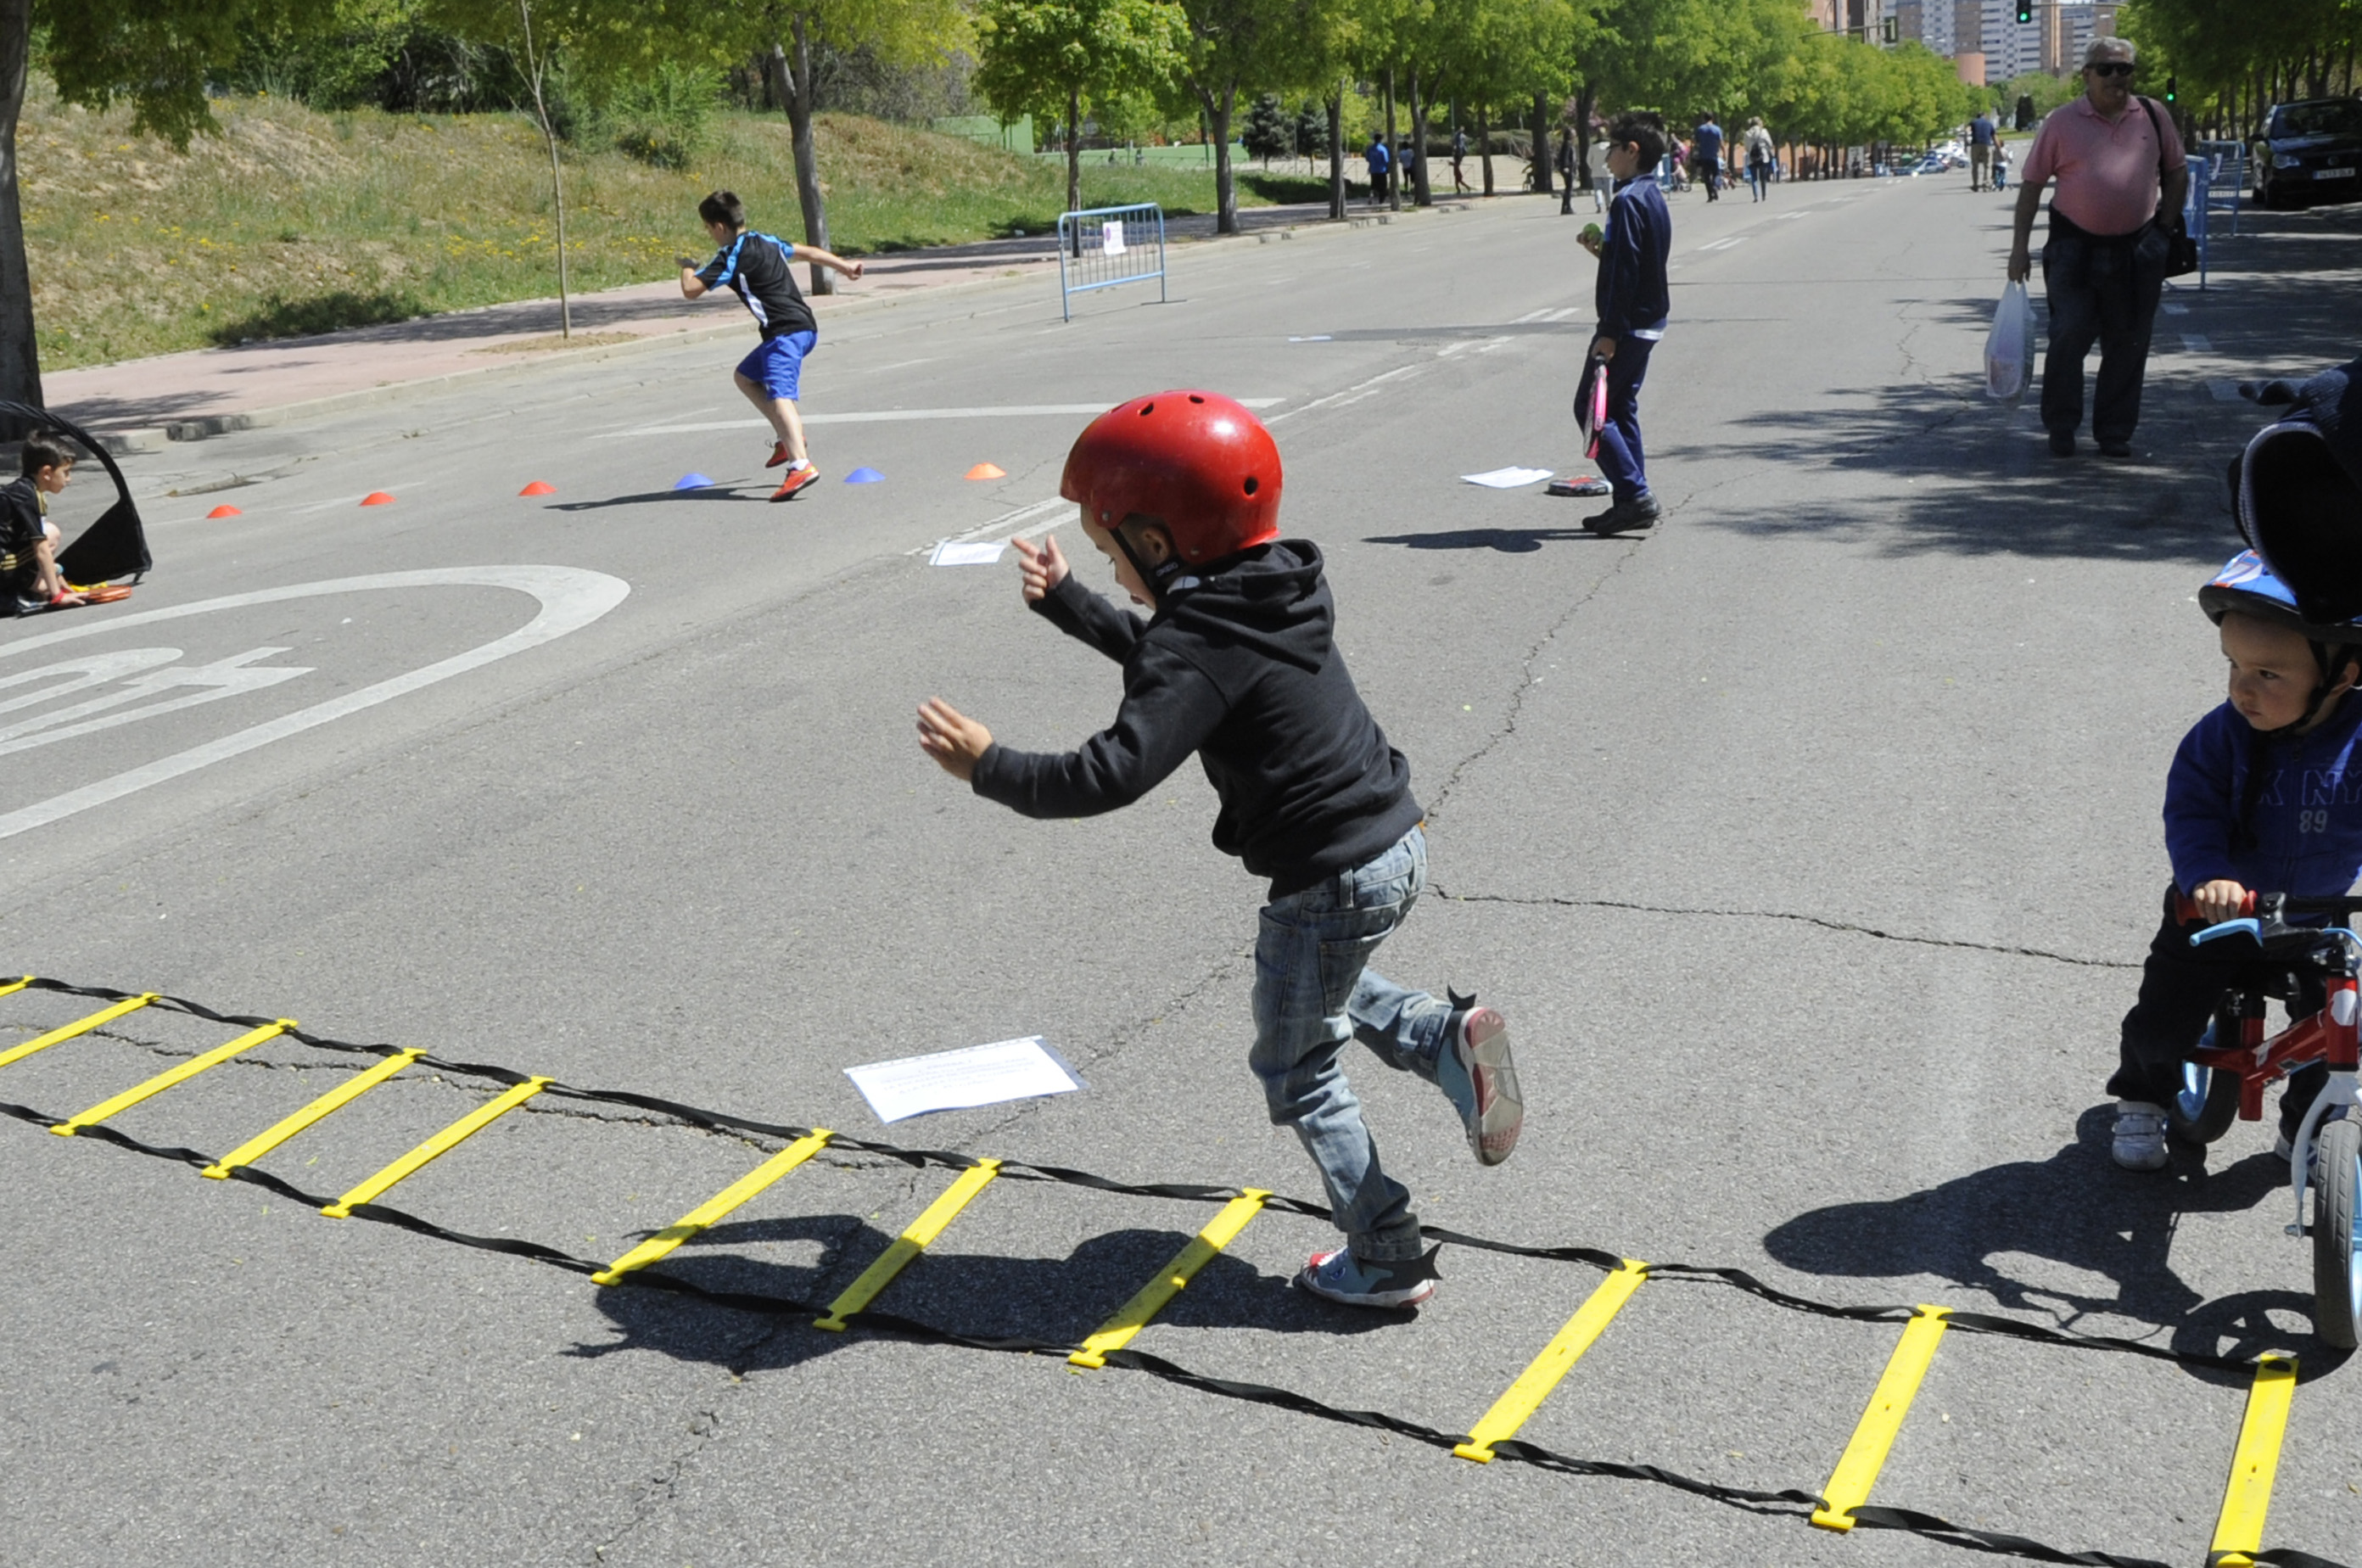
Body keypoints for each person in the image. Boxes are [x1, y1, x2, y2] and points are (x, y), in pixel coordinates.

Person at [913, 391, 1525, 1311]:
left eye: (1109, 548)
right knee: (1315, 986)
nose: (1111, 568)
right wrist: (1075, 604)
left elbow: (1110, 771)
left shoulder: (1197, 638)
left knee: (1297, 1067)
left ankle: (1389, 1251)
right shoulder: (1271, 585)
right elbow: (1185, 662)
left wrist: (989, 767)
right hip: (1393, 843)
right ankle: (1441, 1041)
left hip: (1326, 876)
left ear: (1159, 546)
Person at [2111, 360, 2362, 1172]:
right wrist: (2206, 874)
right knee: (2165, 1014)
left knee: (2344, 1026)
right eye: (2234, 670)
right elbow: (2189, 811)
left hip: (2319, 919)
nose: (2243, 691)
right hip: (2222, 911)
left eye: (2269, 675)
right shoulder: (2222, 738)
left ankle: (2314, 1121)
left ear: (2342, 675)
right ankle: (2146, 1094)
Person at [2007, 36, 2188, 461]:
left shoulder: (2153, 115)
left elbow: (2177, 174)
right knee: (2070, 333)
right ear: (2086, 74)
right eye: (2106, 69)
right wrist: (2019, 249)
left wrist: (2163, 230)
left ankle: (2114, 432)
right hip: (2074, 247)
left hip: (2139, 248)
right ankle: (2062, 425)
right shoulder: (2062, 122)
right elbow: (2032, 187)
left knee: (2128, 342)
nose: (2116, 77)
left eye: (2124, 69)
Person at [677, 190, 865, 501]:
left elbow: (690, 290)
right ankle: (786, 437)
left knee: (781, 396)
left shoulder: (729, 256)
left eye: (708, 228)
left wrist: (687, 265)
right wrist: (844, 266)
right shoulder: (767, 241)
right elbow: (810, 253)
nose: (710, 234)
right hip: (804, 327)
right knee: (745, 376)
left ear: (719, 227)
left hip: (783, 333)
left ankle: (800, 464)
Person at [1575, 111, 1671, 536]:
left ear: (1632, 152)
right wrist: (1604, 252)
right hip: (1649, 320)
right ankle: (1629, 498)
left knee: (1590, 409)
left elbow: (1629, 271)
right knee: (1620, 408)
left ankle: (1634, 495)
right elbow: (1633, 261)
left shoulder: (1627, 200)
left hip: (1628, 325)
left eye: (1613, 149)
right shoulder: (1651, 194)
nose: (1608, 156)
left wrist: (1609, 332)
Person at [1, 430, 87, 613]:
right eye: (66, 472)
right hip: (3, 567)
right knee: (48, 538)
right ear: (47, 472)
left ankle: (22, 588)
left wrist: (61, 582)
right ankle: (9, 594)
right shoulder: (29, 497)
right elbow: (41, 550)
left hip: (7, 556)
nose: (69, 479)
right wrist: (58, 595)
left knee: (51, 532)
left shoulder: (23, 490)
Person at [1691, 113, 1724, 200]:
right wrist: (1724, 154)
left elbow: (1695, 142)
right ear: (1712, 118)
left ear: (1704, 119)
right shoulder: (1717, 129)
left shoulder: (1700, 129)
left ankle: (1710, 195)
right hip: (1714, 155)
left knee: (1706, 176)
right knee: (1716, 174)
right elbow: (1721, 143)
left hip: (1703, 156)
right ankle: (1714, 187)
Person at [1743, 116, 1775, 202]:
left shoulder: (1747, 133)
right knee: (1763, 177)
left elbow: (1746, 147)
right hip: (1763, 156)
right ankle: (1764, 195)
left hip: (1752, 157)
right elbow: (1770, 143)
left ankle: (1756, 196)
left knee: (1754, 178)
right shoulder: (1763, 131)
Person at [1969, 109, 1997, 191]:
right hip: (1986, 144)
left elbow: (1967, 130)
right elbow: (1994, 136)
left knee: (1975, 166)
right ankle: (1986, 185)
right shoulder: (1989, 123)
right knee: (1988, 166)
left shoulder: (1973, 122)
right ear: (1984, 116)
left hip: (1975, 144)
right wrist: (1998, 147)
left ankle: (1975, 185)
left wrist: (1966, 142)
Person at [1364, 133, 1391, 206]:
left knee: (1373, 184)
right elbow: (1386, 160)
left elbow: (1367, 159)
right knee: (1383, 186)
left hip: (1373, 169)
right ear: (1381, 140)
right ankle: (1381, 201)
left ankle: (1371, 196)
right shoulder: (1383, 149)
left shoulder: (1370, 149)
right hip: (1382, 170)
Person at [1556, 129, 1576, 214]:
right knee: (1569, 188)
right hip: (1568, 169)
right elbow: (1565, 156)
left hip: (1570, 168)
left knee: (1568, 188)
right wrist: (1565, 166)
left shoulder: (1569, 143)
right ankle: (1567, 207)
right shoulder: (1567, 144)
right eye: (1573, 133)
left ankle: (1566, 207)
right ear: (1569, 135)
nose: (1575, 134)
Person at [1451, 126, 1470, 194]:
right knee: (1457, 183)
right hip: (1457, 173)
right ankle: (1460, 190)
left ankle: (1467, 188)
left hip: (1458, 174)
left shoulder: (1457, 162)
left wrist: (1451, 163)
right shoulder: (1457, 162)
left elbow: (1455, 165)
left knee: (1459, 182)